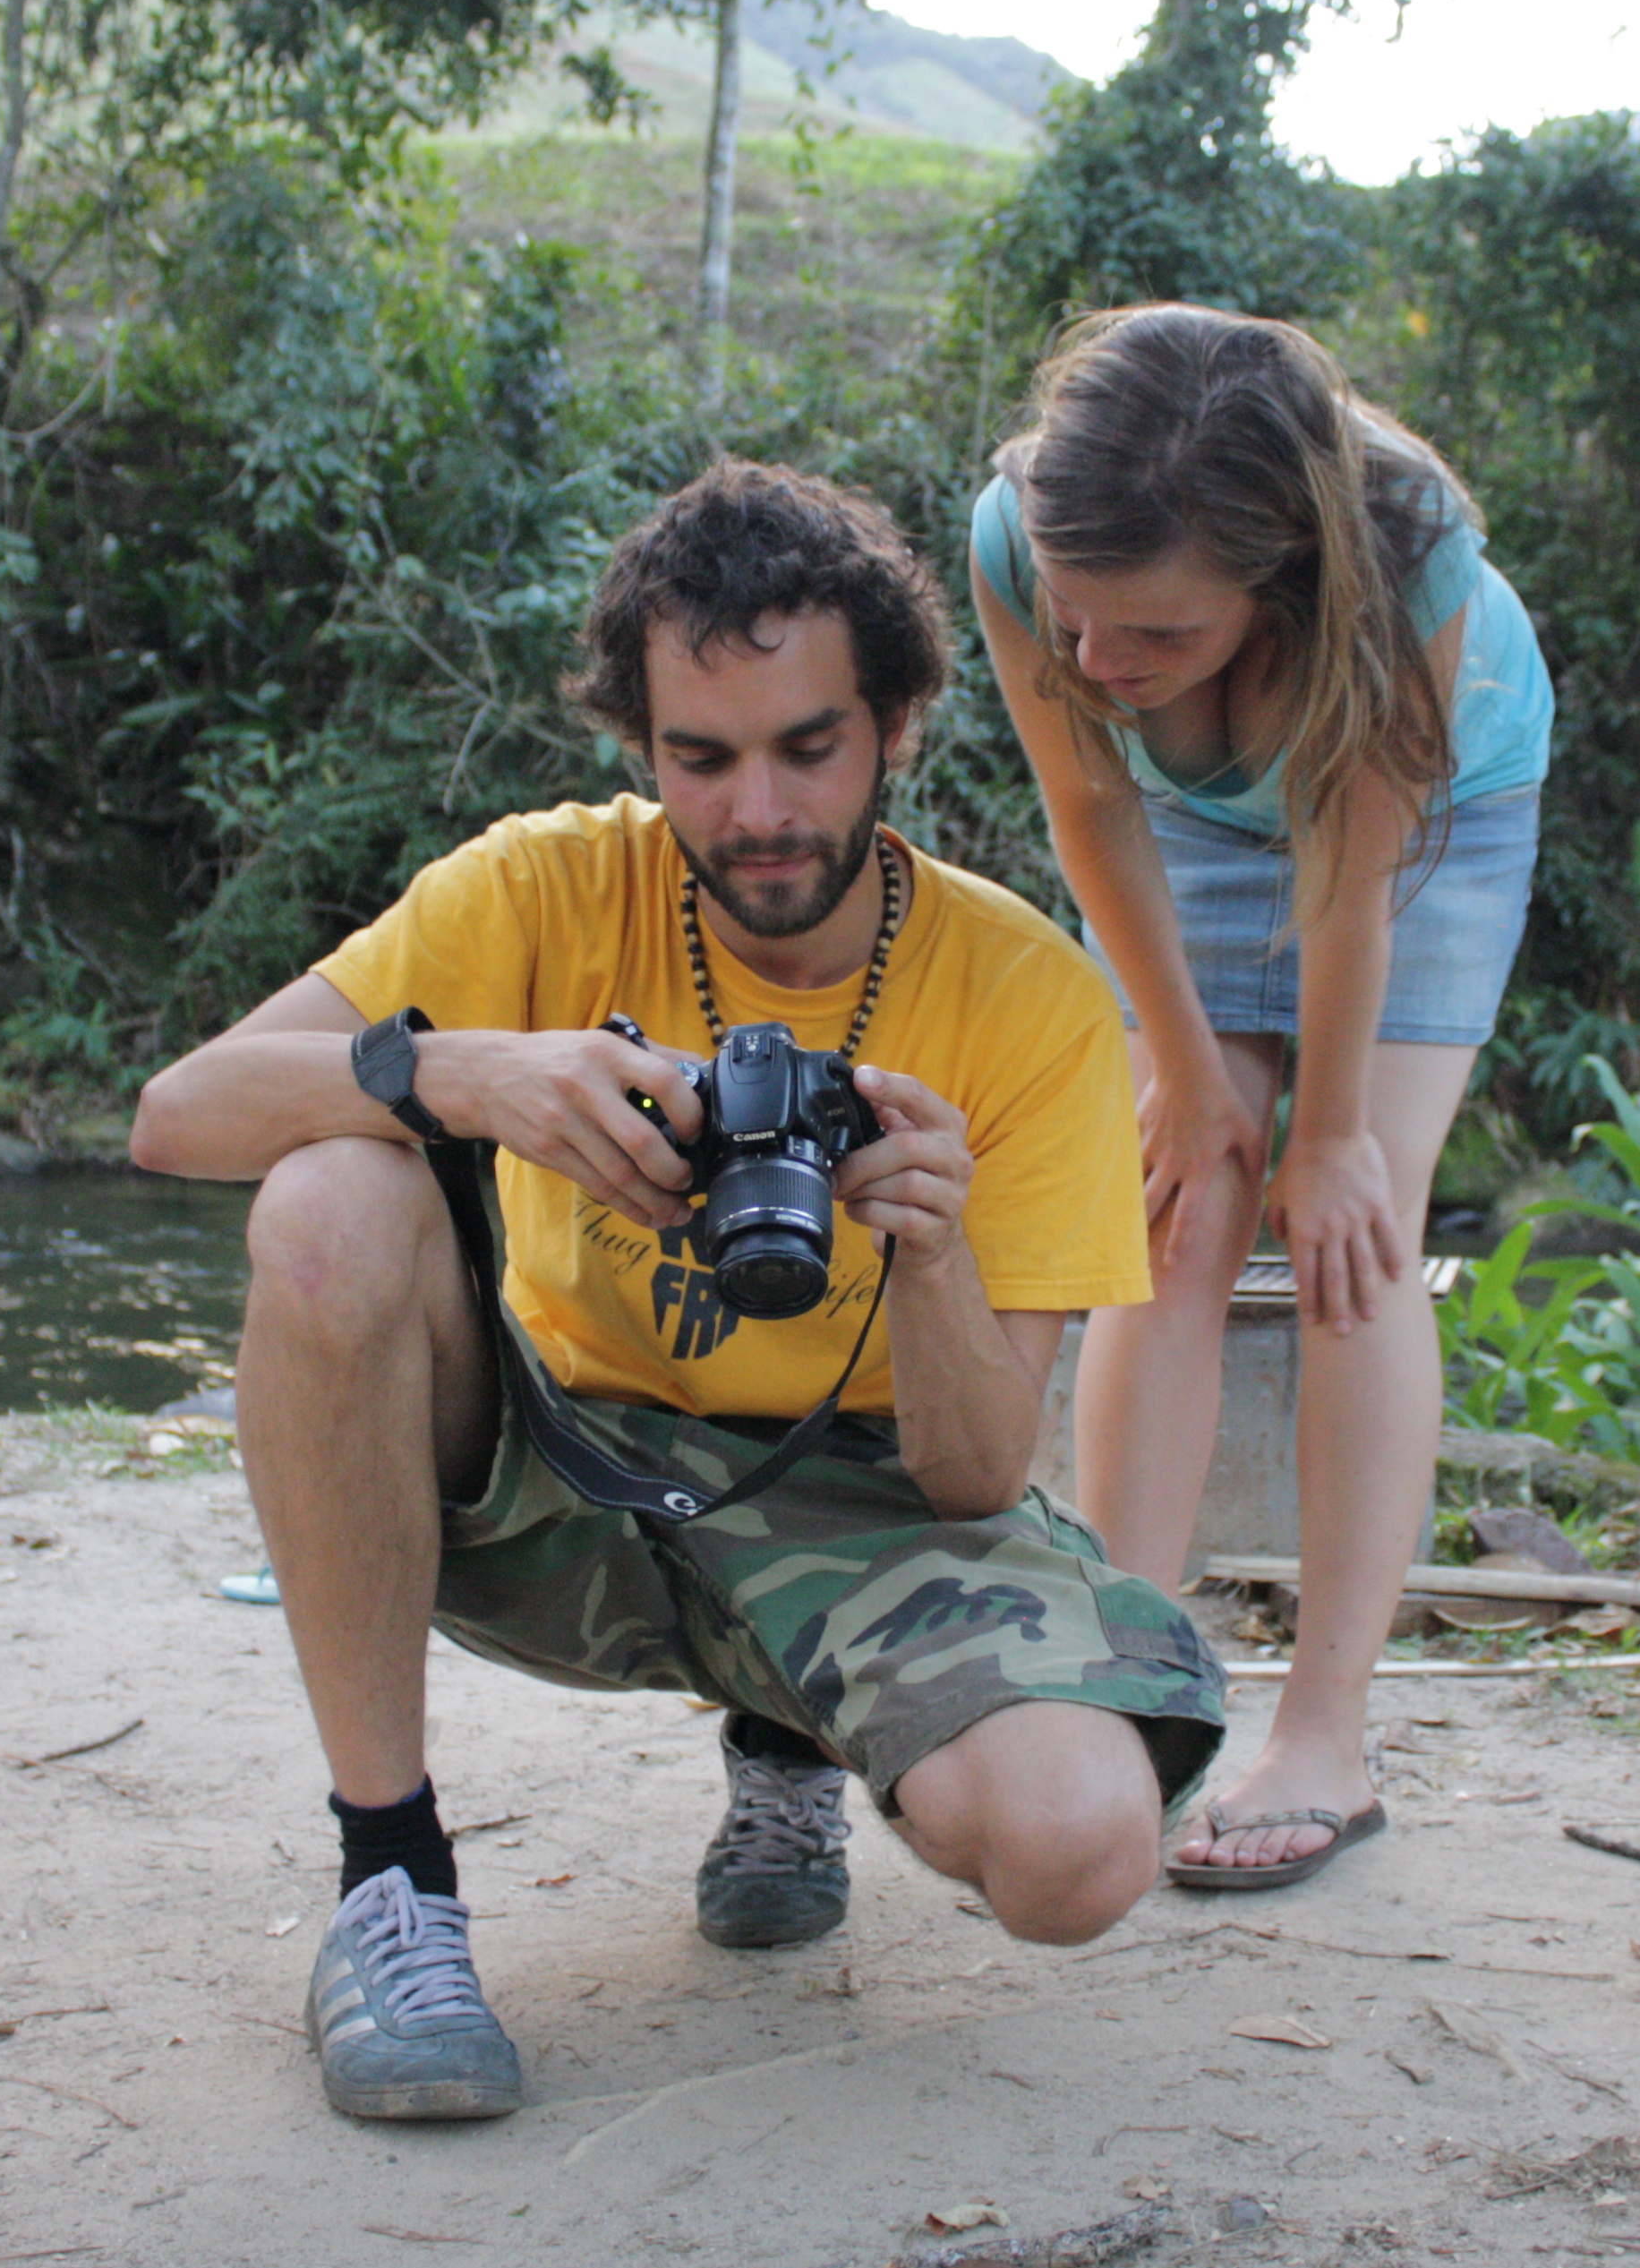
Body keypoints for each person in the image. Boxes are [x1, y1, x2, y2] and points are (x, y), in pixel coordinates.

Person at [132, 458, 1226, 2123]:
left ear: (898, 727)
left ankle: (795, 1733)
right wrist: (465, 1073)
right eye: (700, 759)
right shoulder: (543, 887)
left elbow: (974, 1476)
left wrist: (930, 1254)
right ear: (641, 749)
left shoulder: (1029, 997)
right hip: (555, 1466)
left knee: (1078, 1854)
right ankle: (392, 1883)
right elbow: (176, 1115)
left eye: (809, 747)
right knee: (329, 1194)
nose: (758, 811)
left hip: (860, 1497)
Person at [968, 305, 1552, 1892]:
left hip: (1430, 817)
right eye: (1078, 619)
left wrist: (1333, 1135)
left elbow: (1352, 882)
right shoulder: (1022, 527)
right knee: (1172, 1202)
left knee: (1357, 1230)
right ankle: (1129, 1692)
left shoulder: (1404, 550)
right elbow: (1091, 802)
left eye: (1155, 634)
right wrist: (1179, 1072)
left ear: (1277, 569)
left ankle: (1324, 1739)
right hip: (1179, 831)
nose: (1100, 663)